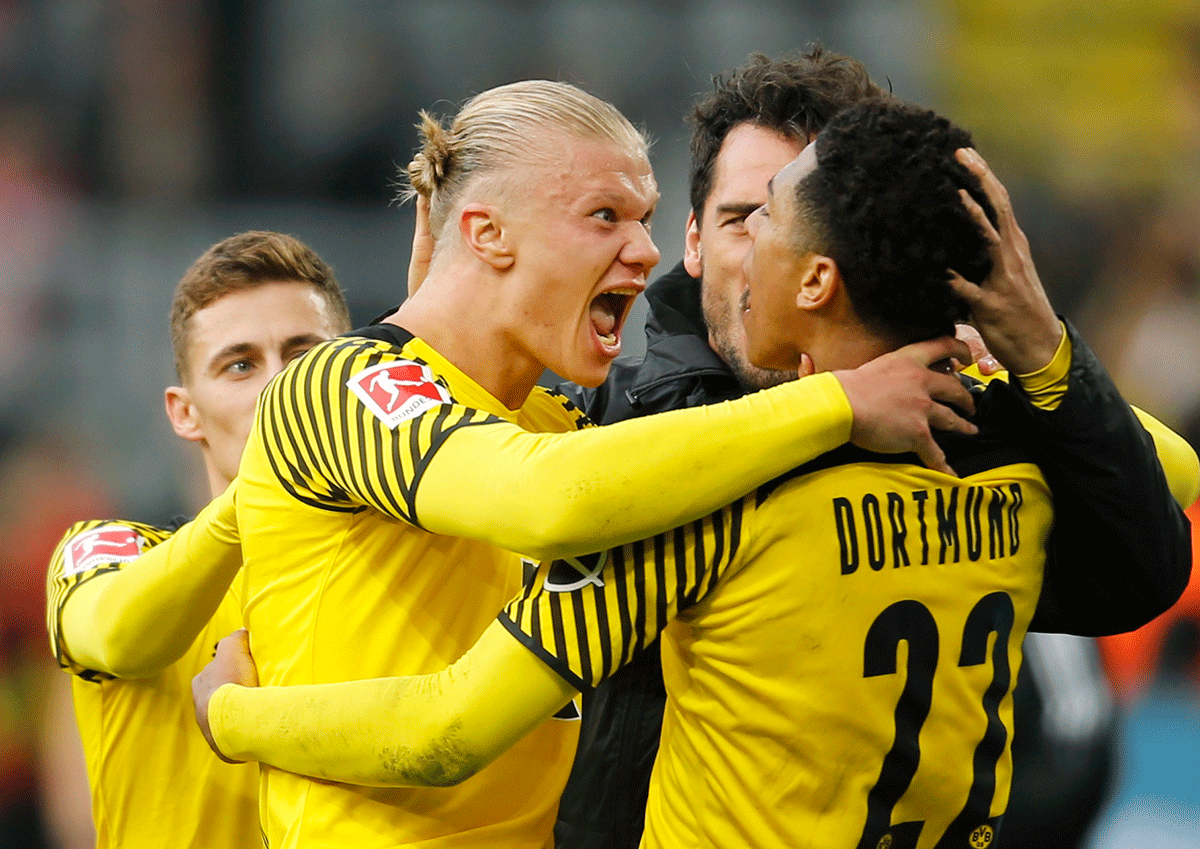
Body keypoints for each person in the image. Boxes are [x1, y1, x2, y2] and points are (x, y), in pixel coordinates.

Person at [192, 99, 1194, 848]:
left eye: (767, 219)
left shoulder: (696, 497)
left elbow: (455, 717)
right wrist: (1029, 360)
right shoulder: (1000, 472)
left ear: (818, 274)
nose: (666, 253)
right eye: (608, 218)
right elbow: (1164, 475)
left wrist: (232, 716)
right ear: (483, 232)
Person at [554, 49, 1199, 849]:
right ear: (689, 240)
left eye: (786, 217)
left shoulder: (960, 433)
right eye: (737, 218)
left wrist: (1038, 352)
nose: (762, 251)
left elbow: (1143, 553)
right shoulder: (607, 428)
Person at [43, 231, 352, 849]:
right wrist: (267, 492)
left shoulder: (402, 566)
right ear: (184, 412)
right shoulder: (109, 551)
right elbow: (119, 636)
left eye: (303, 354)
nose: (280, 388)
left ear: (350, 374)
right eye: (241, 365)